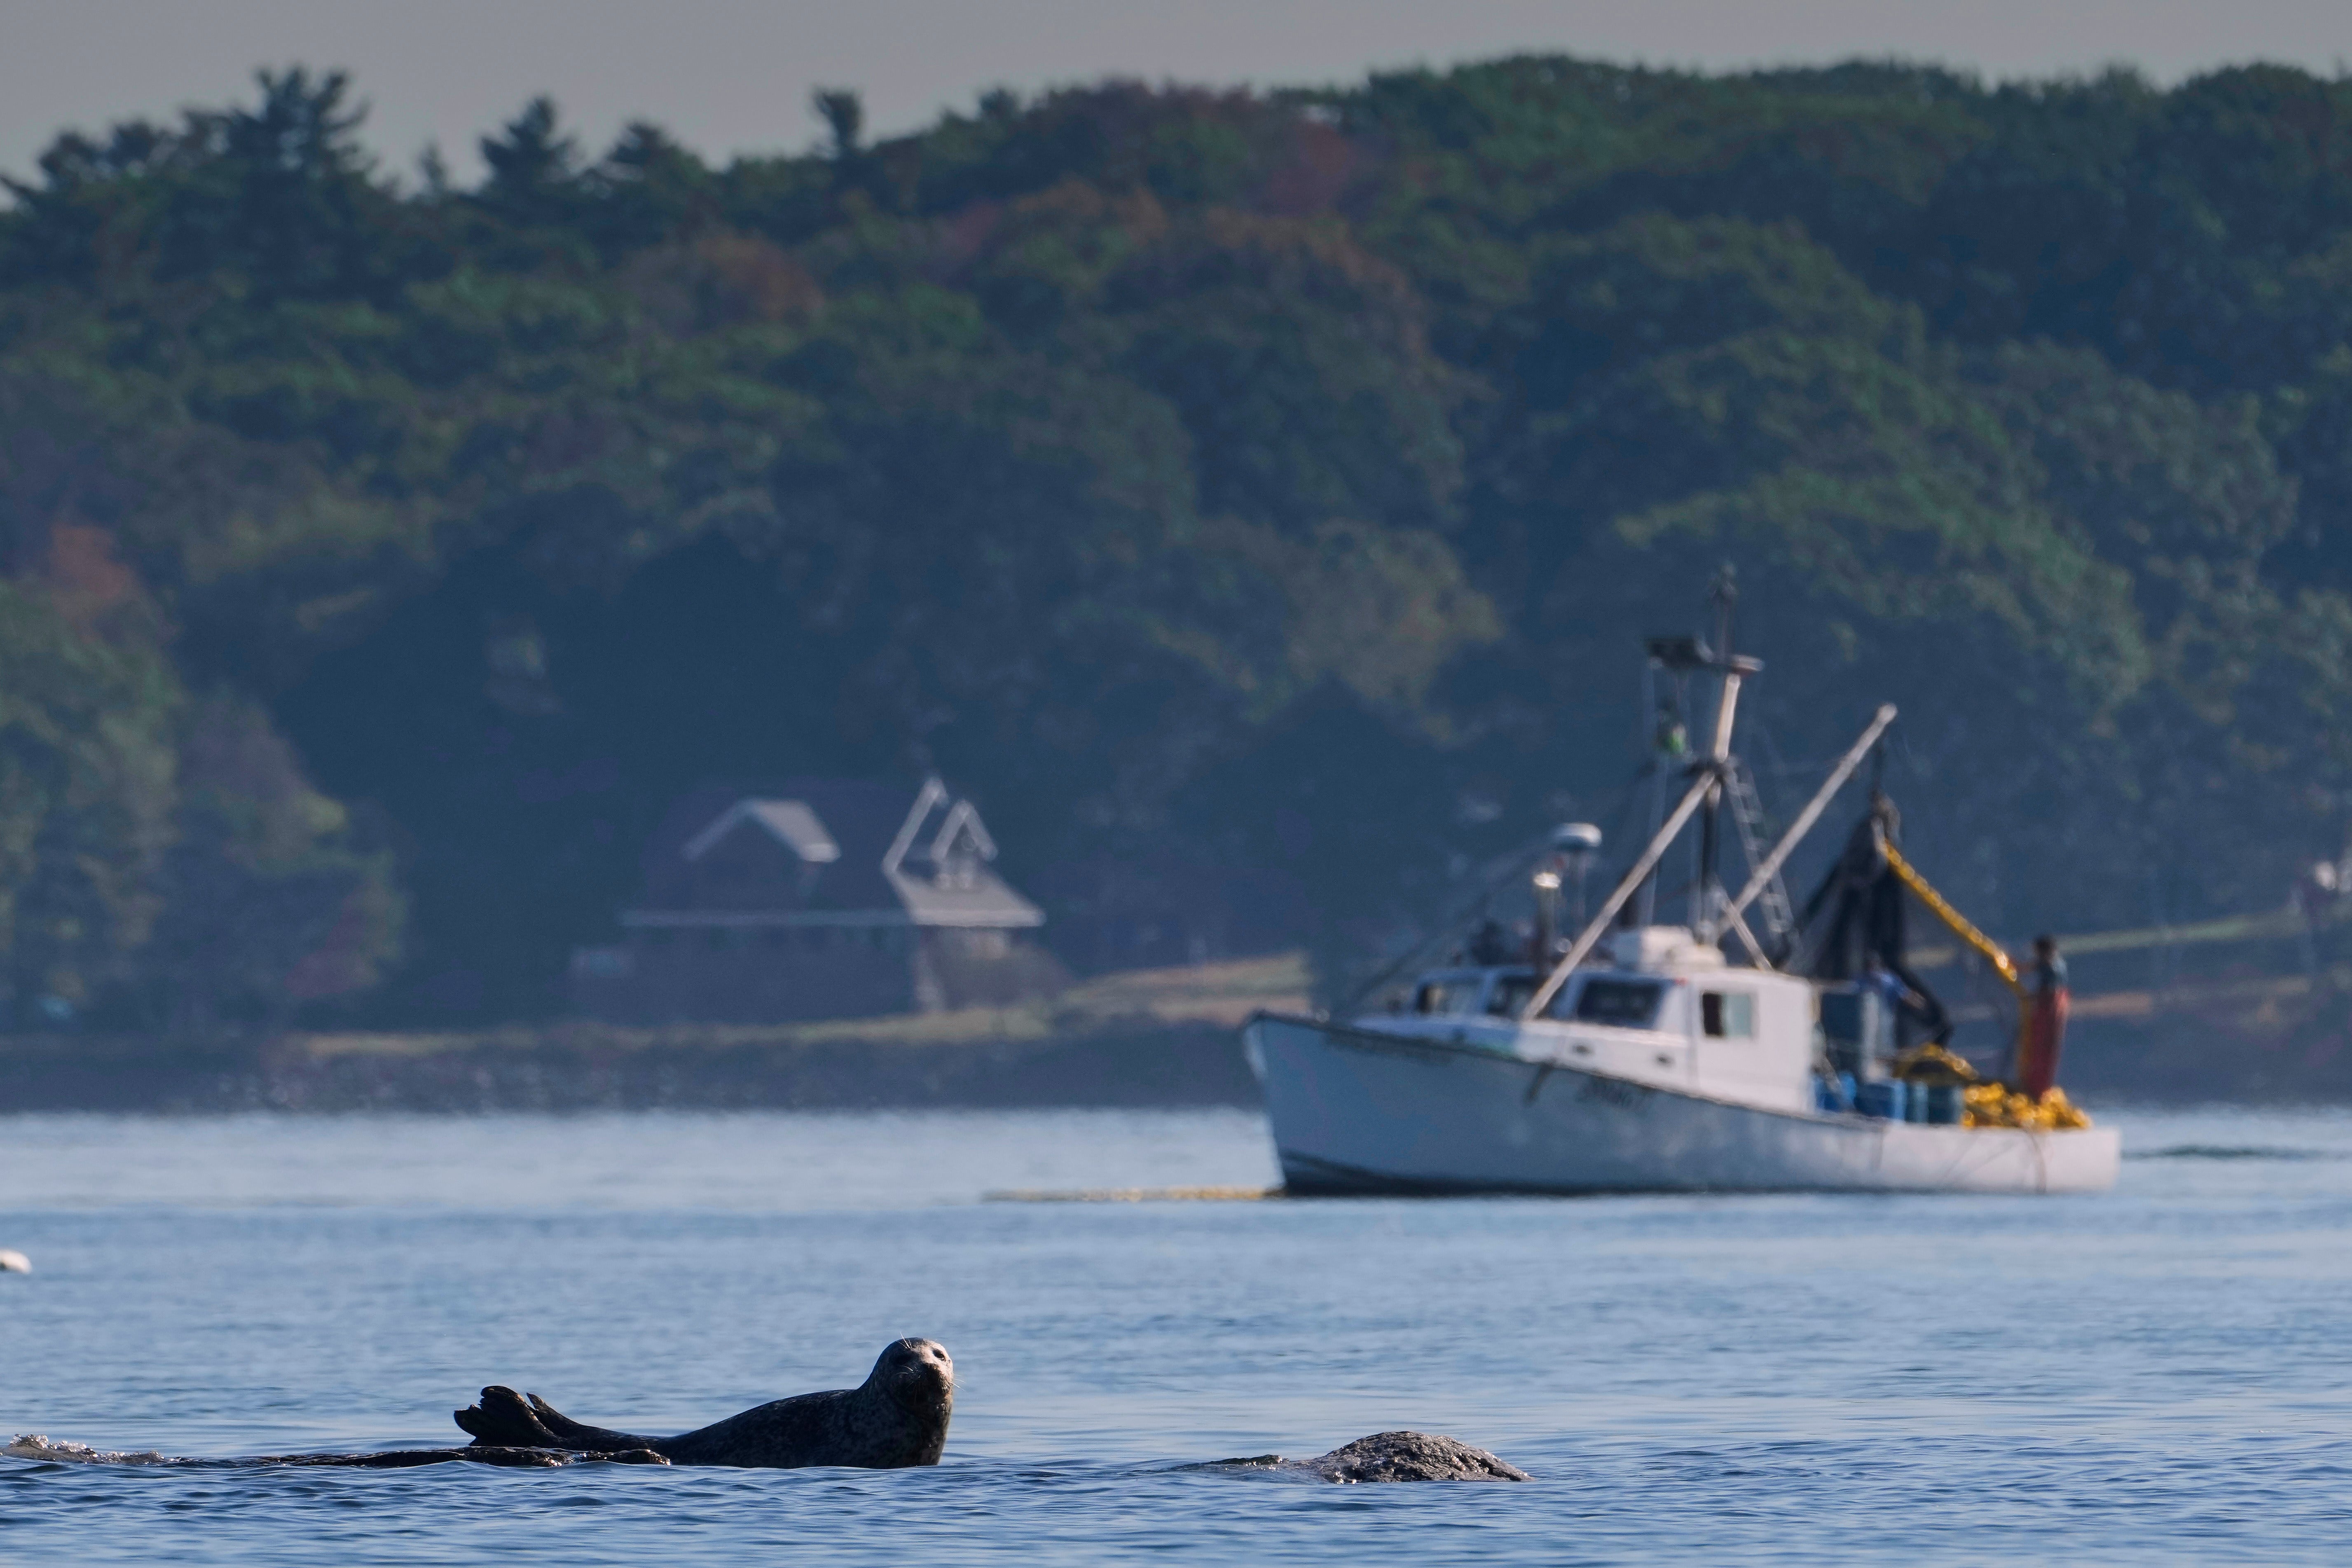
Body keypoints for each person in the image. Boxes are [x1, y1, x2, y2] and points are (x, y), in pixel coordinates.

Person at [2016, 934, 2070, 1099]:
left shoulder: (2047, 962)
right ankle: (2042, 1088)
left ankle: (2036, 1088)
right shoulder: (2060, 963)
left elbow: (2025, 969)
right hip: (2059, 1006)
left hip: (2049, 1006)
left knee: (2041, 1045)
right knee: (2050, 1047)